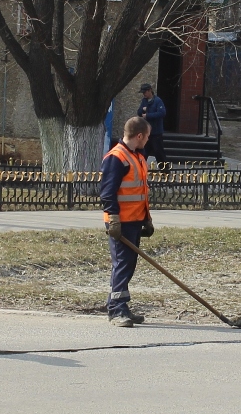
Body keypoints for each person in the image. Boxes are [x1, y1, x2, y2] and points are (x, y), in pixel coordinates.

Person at [100, 116, 155, 327]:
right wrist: (113, 219)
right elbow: (107, 192)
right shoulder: (117, 157)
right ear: (139, 136)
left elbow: (140, 192)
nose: (148, 140)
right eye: (147, 136)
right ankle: (116, 310)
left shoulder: (137, 156)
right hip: (120, 222)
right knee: (122, 265)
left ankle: (120, 304)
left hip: (134, 220)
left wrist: (146, 219)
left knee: (128, 265)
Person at [137, 83, 167, 163]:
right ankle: (141, 170)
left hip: (156, 132)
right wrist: (142, 111)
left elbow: (162, 113)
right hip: (146, 132)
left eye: (145, 92)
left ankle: (165, 172)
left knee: (159, 152)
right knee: (143, 152)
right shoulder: (144, 101)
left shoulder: (157, 101)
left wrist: (148, 115)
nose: (144, 94)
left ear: (150, 90)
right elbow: (139, 112)